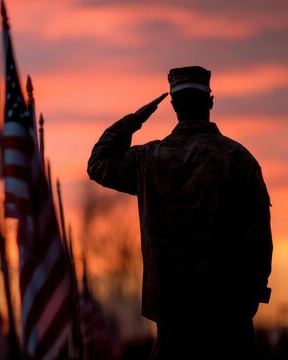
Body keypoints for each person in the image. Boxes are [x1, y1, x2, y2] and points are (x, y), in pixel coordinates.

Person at [87, 66, 273, 359]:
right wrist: (247, 299)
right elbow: (259, 238)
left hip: (173, 320)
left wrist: (136, 119)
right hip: (228, 321)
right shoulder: (237, 159)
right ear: (210, 102)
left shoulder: (149, 161)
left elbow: (99, 162)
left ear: (173, 106)